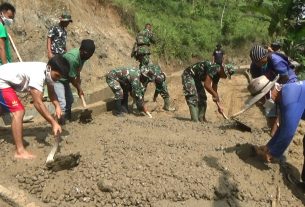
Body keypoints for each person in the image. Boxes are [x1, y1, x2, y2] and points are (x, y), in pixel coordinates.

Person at [0, 55, 70, 159]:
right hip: (2, 80)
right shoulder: (38, 75)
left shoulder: (48, 72)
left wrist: (57, 106)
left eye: (59, 77)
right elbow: (38, 103)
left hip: (5, 77)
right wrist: (53, 122)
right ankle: (20, 151)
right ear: (49, 68)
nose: (57, 79)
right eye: (57, 76)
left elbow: (51, 93)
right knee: (18, 111)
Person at [245, 75, 305, 173]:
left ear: (268, 94)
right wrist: (269, 146)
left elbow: (288, 132)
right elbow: (283, 127)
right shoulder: (284, 93)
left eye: (261, 100)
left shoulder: (289, 100)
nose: (261, 103)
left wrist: (273, 153)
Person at [250, 45, 298, 136]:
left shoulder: (275, 60)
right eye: (256, 63)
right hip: (274, 84)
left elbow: (285, 78)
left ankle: (276, 131)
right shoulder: (260, 64)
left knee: (281, 108)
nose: (258, 64)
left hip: (289, 84)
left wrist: (274, 91)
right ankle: (273, 128)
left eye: (258, 62)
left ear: (263, 56)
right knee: (268, 107)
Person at [54, 39, 95, 124]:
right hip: (57, 79)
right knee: (62, 103)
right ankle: (59, 123)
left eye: (91, 55)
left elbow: (77, 71)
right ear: (83, 51)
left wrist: (79, 83)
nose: (89, 57)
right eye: (89, 55)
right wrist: (79, 89)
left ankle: (67, 117)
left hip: (65, 79)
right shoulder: (72, 58)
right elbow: (72, 78)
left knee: (70, 99)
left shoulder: (83, 56)